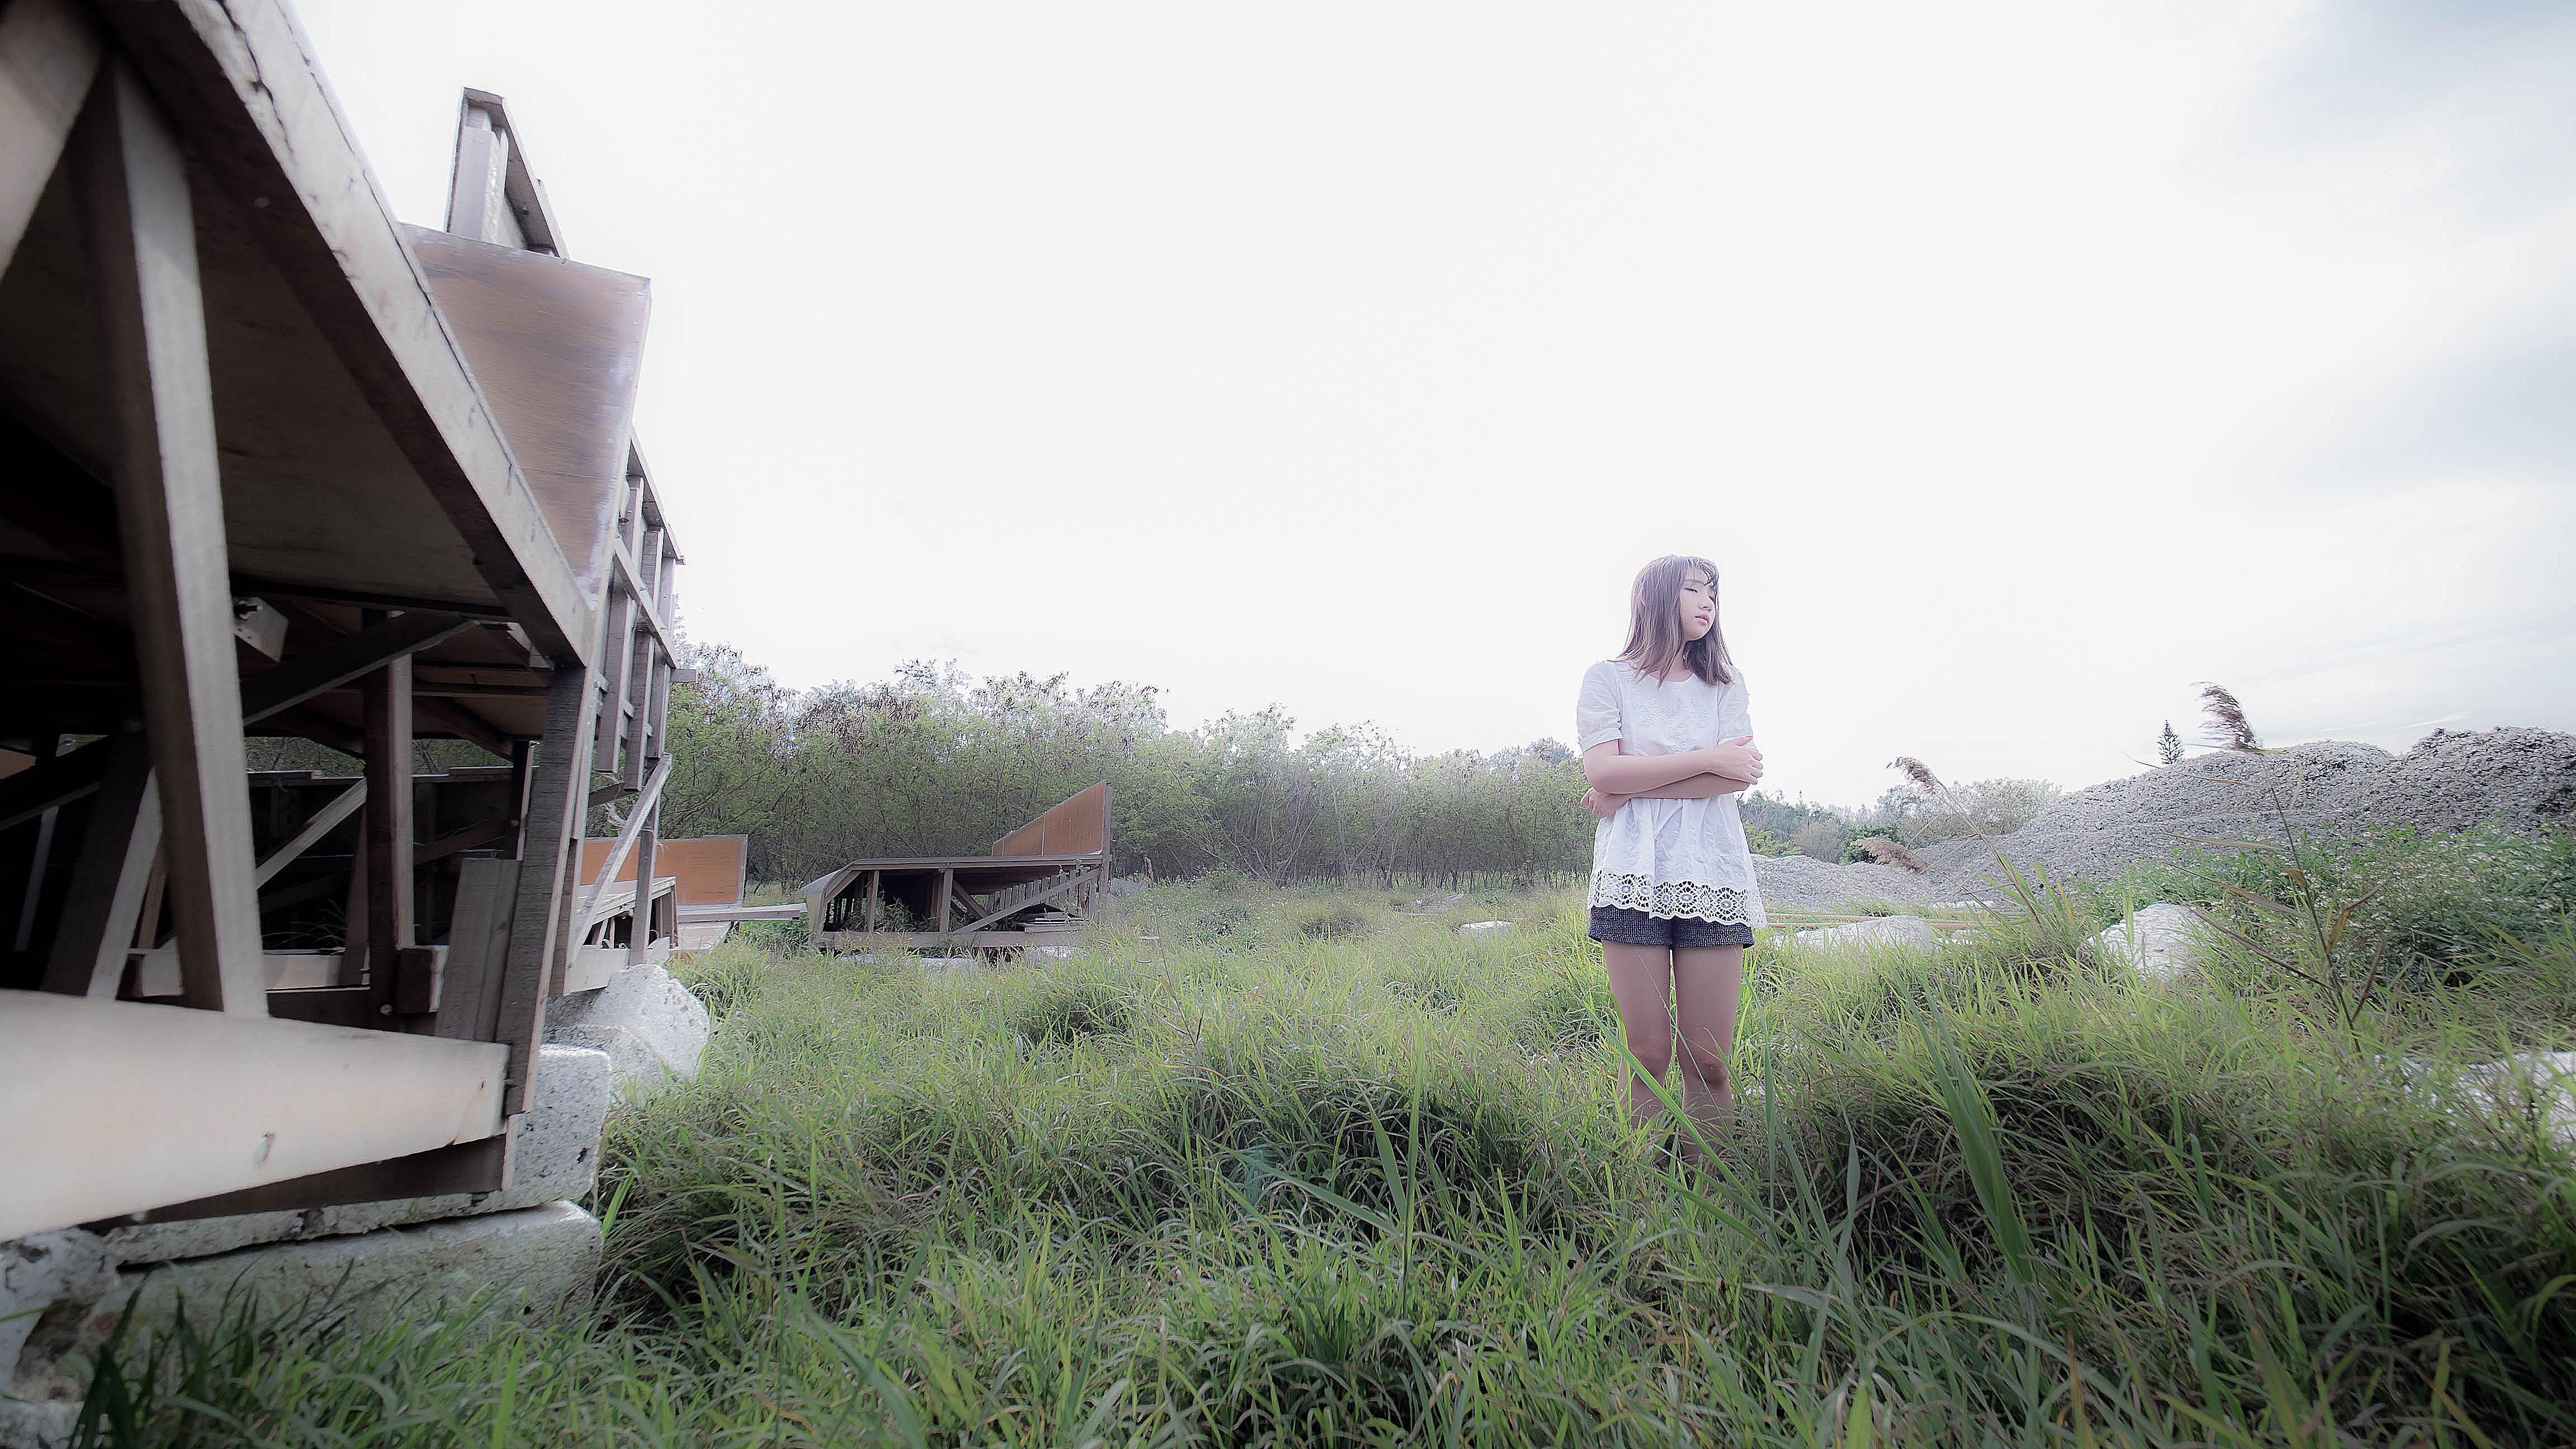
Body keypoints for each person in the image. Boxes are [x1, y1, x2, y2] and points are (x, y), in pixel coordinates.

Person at [1574, 554, 1765, 1159]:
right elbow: (1600, 766)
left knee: (1707, 1059)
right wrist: (1705, 759)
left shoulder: (1725, 685)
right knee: (1650, 1052)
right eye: (1694, 590)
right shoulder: (1608, 679)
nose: (1708, 602)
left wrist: (1626, 786)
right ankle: (1643, 1196)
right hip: (1633, 873)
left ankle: (1717, 1198)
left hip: (1712, 873)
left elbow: (1733, 781)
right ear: (1658, 597)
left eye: (1714, 593)